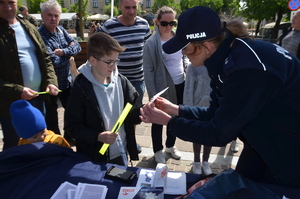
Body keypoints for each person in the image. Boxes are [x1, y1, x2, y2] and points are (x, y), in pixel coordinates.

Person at [140, 6, 300, 188]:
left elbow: (218, 133)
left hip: (289, 151)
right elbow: (215, 114)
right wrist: (176, 109)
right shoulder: (226, 56)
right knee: (239, 185)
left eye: (186, 48)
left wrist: (170, 122)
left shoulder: (245, 69)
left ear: (206, 47)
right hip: (264, 138)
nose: (182, 53)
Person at [64, 32, 142, 165]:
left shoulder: (122, 81)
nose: (114, 66)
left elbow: (130, 112)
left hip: (121, 151)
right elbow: (72, 126)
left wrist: (142, 112)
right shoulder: (81, 88)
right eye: (109, 62)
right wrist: (97, 136)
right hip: (94, 156)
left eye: (116, 61)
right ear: (93, 61)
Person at [0, 0, 59, 150]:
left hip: (38, 100)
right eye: (1, 3)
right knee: (15, 148)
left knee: (40, 147)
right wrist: (18, 91)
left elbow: (46, 58)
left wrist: (51, 81)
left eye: (10, 2)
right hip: (12, 105)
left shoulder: (29, 27)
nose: (7, 7)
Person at [143, 6, 183, 164]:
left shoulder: (179, 37)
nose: (169, 27)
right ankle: (157, 150)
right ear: (157, 22)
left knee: (176, 117)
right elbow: (148, 70)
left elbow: (184, 57)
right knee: (158, 120)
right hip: (162, 88)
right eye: (165, 23)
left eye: (172, 23)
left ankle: (170, 146)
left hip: (180, 83)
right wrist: (153, 94)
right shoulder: (152, 43)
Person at [38, 0, 81, 142]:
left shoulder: (61, 30)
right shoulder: (40, 35)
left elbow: (77, 47)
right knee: (51, 116)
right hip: (50, 83)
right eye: (49, 15)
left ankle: (69, 138)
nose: (53, 19)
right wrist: (68, 55)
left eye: (56, 15)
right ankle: (55, 141)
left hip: (66, 81)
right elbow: (52, 62)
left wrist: (63, 52)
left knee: (72, 112)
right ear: (42, 16)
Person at [100, 0, 151, 106]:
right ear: (120, 7)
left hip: (138, 79)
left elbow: (149, 49)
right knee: (116, 111)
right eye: (127, 7)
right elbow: (99, 49)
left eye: (134, 7)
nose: (131, 11)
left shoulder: (144, 24)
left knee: (134, 113)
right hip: (116, 79)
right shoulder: (109, 26)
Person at [184, 64, 212, 175]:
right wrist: (188, 109)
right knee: (197, 135)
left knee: (209, 135)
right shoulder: (193, 66)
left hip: (212, 107)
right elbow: (188, 89)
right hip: (197, 107)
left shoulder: (217, 64)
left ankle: (205, 161)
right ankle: (196, 161)